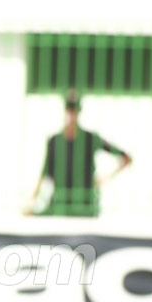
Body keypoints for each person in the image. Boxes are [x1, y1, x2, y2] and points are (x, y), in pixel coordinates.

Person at [28, 89, 132, 217]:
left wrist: (103, 179)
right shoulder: (54, 141)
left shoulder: (90, 138)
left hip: (85, 205)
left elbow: (125, 158)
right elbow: (44, 173)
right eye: (69, 110)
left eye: (74, 110)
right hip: (59, 203)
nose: (71, 114)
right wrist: (32, 201)